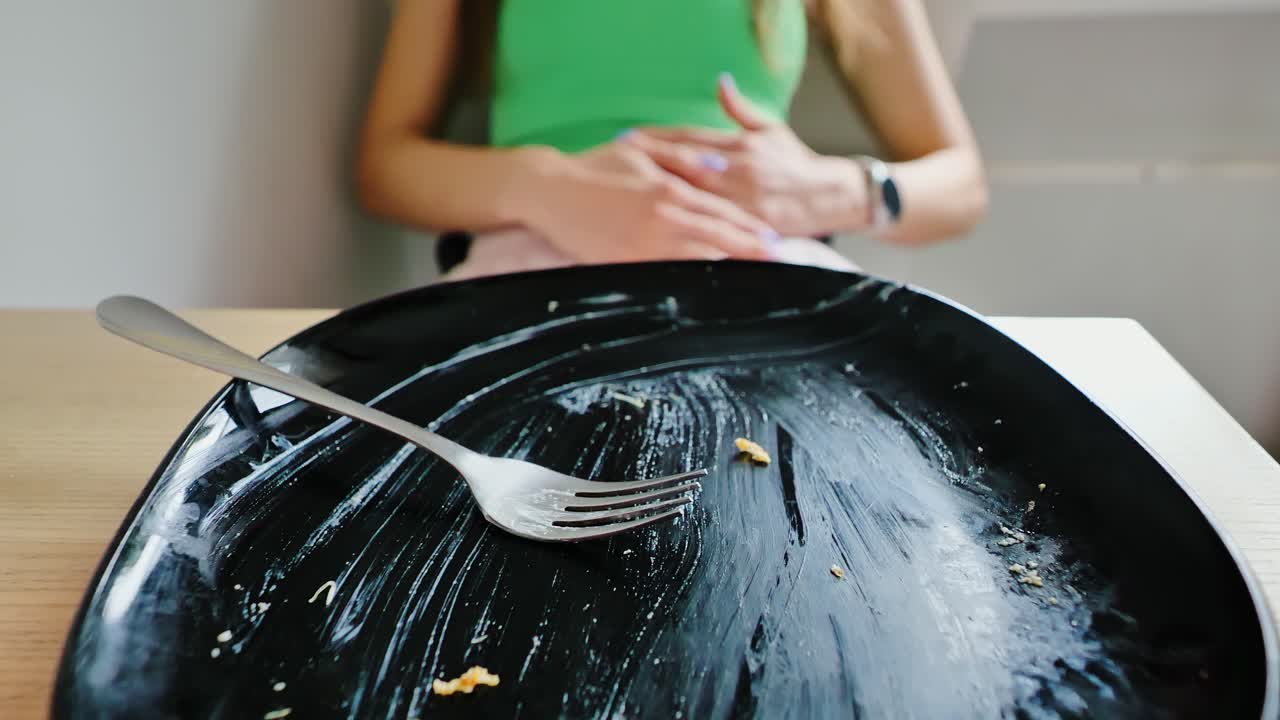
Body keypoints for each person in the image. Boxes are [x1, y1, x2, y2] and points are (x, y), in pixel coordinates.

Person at [355, 0, 987, 281]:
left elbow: (961, 186)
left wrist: (842, 188)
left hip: (756, 262)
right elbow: (385, 166)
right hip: (529, 266)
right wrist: (544, 187)